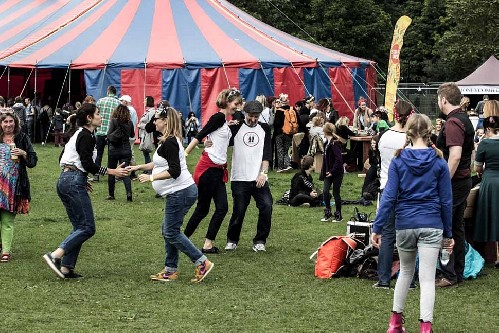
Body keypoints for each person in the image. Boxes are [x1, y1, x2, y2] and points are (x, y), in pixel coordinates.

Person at [371, 114, 453, 333]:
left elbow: (388, 196)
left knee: (405, 272)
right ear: (429, 132)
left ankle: (395, 324)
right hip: (431, 223)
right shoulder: (439, 162)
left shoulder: (399, 160)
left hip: (405, 223)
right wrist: (448, 233)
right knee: (427, 279)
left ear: (408, 131)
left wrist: (377, 227)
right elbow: (446, 201)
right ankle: (425, 328)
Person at [126, 107, 214, 283]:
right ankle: (170, 270)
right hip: (179, 192)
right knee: (169, 231)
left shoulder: (170, 142)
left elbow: (174, 170)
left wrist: (151, 178)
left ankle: (202, 262)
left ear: (165, 120)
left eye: (157, 118)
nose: (154, 122)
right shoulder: (167, 141)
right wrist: (138, 167)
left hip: (180, 192)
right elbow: (158, 163)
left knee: (171, 232)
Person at [42, 103, 128, 279]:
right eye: (97, 114)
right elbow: (88, 164)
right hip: (72, 181)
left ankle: (66, 268)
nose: (101, 117)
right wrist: (112, 171)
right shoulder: (86, 136)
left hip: (67, 180)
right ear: (89, 118)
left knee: (79, 227)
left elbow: (66, 158)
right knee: (88, 227)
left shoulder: (78, 135)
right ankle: (55, 256)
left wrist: (82, 178)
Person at [183, 88, 242, 253]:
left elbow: (217, 137)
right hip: (208, 170)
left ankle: (207, 244)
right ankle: (182, 239)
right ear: (227, 102)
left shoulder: (224, 121)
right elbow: (200, 135)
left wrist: (228, 125)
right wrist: (186, 153)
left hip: (218, 170)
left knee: (222, 208)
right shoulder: (218, 118)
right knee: (202, 209)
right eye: (236, 104)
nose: (237, 107)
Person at [435, 82, 474, 287]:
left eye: (438, 99)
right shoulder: (464, 119)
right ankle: (456, 272)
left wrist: (444, 182)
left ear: (444, 99)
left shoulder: (452, 123)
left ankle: (449, 274)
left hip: (455, 181)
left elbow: (455, 156)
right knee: (457, 227)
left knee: (446, 228)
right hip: (464, 180)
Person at [373, 99, 414, 289]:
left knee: (387, 235)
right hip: (408, 191)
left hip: (387, 186)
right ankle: (409, 280)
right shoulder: (412, 140)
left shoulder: (384, 137)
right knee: (408, 236)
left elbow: (378, 160)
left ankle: (383, 279)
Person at [225, 101, 273, 252]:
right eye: (251, 116)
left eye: (256, 117)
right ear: (245, 114)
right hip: (239, 178)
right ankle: (232, 239)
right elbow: (221, 141)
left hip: (258, 178)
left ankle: (260, 240)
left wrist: (263, 173)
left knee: (267, 206)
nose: (253, 119)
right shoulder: (236, 127)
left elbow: (266, 154)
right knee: (239, 211)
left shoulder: (264, 128)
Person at [0, 110, 37, 262]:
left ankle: (6, 251)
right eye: (5, 122)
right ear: (1, 124)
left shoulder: (22, 138)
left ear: (15, 122)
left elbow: (33, 161)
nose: (8, 124)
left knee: (7, 220)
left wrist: (23, 153)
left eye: (11, 121)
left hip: (14, 186)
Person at [473, 116, 499, 258]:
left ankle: (488, 252)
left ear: (488, 129)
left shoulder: (484, 144)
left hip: (489, 182)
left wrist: (480, 171)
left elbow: (477, 168)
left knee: (488, 214)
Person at [106, 104, 135, 202]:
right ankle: (129, 193)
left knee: (111, 171)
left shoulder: (114, 121)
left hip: (114, 150)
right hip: (126, 149)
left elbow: (109, 134)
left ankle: (111, 194)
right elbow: (132, 135)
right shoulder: (130, 122)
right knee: (125, 172)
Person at [94, 86, 120, 182]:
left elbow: (95, 115)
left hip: (100, 132)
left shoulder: (100, 101)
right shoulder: (118, 103)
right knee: (112, 155)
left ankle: (96, 174)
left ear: (108, 91)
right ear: (115, 92)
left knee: (98, 154)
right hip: (112, 133)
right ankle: (112, 175)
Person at [320, 122, 344, 222]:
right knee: (325, 191)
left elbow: (339, 160)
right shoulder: (327, 144)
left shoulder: (335, 143)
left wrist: (332, 171)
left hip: (336, 172)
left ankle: (338, 214)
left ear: (325, 131)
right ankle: (328, 212)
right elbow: (325, 160)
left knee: (336, 192)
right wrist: (324, 172)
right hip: (328, 172)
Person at [273, 93, 295, 172]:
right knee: (286, 150)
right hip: (289, 133)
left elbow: (276, 124)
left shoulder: (279, 111)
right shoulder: (292, 110)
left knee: (280, 150)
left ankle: (280, 167)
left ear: (281, 102)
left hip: (279, 133)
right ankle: (287, 165)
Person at [138, 96, 156, 168]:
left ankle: (149, 169)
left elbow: (150, 124)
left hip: (147, 135)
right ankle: (148, 168)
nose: (144, 102)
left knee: (146, 151)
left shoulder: (151, 112)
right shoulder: (148, 112)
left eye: (145, 100)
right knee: (145, 152)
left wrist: (141, 126)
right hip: (144, 134)